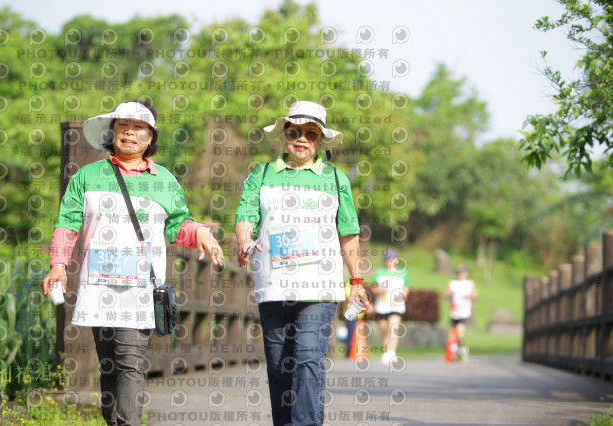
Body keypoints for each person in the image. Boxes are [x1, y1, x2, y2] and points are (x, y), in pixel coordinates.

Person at [42, 100, 224, 426]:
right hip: (98, 284)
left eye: (138, 127)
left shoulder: (164, 180)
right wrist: (58, 264)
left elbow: (177, 225)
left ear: (150, 137)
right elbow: (67, 224)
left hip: (140, 288)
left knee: (131, 361)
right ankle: (112, 421)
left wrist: (200, 233)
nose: (130, 132)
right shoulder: (87, 176)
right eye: (123, 125)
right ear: (111, 132)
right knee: (109, 363)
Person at [234, 101, 370, 426]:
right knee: (280, 366)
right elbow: (244, 217)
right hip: (273, 286)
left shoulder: (336, 180)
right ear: (284, 135)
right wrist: (243, 239)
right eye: (295, 132)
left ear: (320, 140)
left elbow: (348, 234)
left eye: (311, 134)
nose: (302, 140)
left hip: (319, 289)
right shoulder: (262, 174)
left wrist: (357, 281)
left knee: (309, 359)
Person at [369, 248, 410, 366]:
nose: (389, 261)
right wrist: (379, 290)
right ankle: (386, 352)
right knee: (384, 329)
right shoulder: (379, 272)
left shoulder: (403, 272)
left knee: (393, 327)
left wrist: (404, 294)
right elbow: (373, 287)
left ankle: (392, 352)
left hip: (396, 305)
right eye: (387, 259)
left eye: (391, 259)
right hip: (382, 305)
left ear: (396, 260)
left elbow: (406, 286)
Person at [443, 264, 478, 356]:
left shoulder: (470, 283)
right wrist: (450, 293)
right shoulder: (452, 283)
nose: (460, 274)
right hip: (454, 311)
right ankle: (454, 350)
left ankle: (459, 347)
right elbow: (445, 294)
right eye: (458, 272)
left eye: (462, 272)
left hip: (464, 311)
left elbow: (475, 295)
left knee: (460, 329)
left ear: (466, 273)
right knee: (452, 333)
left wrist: (470, 296)